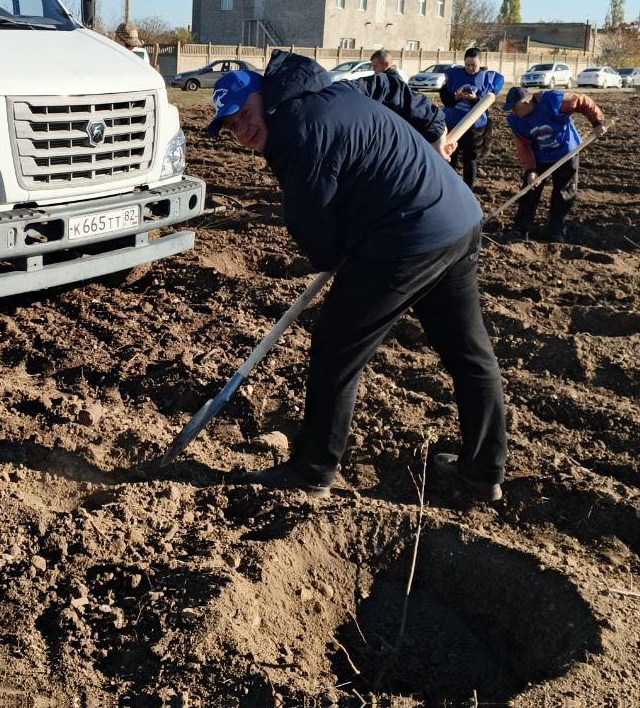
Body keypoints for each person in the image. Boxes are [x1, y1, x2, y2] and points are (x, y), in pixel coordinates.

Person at [208, 52, 508, 503]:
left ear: (266, 98)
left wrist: (338, 251)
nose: (243, 130)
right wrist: (432, 128)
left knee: (335, 348)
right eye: (231, 126)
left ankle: (312, 470)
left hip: (406, 238)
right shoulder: (333, 89)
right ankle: (483, 473)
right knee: (469, 352)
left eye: (245, 114)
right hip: (458, 218)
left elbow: (315, 233)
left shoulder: (296, 131)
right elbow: (387, 86)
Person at [503, 86, 608, 243]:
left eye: (515, 108)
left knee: (564, 193)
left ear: (526, 102)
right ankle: (520, 228)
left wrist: (597, 122)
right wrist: (531, 169)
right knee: (529, 191)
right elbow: (523, 146)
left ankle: (557, 232)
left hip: (566, 153)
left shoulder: (553, 100)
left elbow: (583, 101)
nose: (513, 112)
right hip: (540, 156)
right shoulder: (516, 121)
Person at [439, 47, 505, 189]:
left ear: (480, 63)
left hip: (474, 128)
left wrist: (476, 99)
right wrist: (455, 97)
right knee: (450, 158)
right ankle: (449, 187)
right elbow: (446, 99)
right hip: (453, 124)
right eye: (467, 64)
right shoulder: (453, 75)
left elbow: (488, 100)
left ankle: (469, 189)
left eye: (473, 65)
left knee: (470, 160)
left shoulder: (488, 78)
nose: (470, 68)